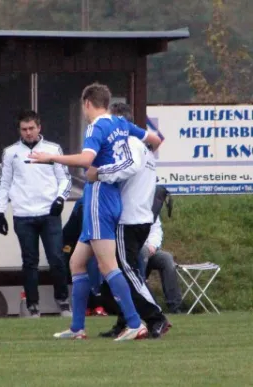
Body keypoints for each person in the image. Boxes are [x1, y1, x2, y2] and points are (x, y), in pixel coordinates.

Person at [28, 83, 162, 341]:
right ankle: (78, 328)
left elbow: (86, 160)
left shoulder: (96, 126)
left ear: (87, 103)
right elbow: (153, 140)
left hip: (100, 197)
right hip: (105, 197)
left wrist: (51, 158)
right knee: (76, 263)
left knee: (107, 265)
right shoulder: (121, 124)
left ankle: (135, 323)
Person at [87, 102, 170, 339]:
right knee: (122, 272)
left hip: (130, 218)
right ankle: (125, 320)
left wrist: (100, 172)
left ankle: (156, 317)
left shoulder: (131, 144)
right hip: (139, 216)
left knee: (127, 273)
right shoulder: (142, 146)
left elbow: (129, 167)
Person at [0, 110, 72, 317]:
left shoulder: (53, 149)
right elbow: (4, 182)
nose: (28, 133)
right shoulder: (10, 152)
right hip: (23, 214)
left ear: (39, 127)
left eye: (31, 128)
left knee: (56, 257)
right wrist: (0, 212)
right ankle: (32, 305)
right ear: (19, 130)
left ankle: (63, 301)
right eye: (24, 129)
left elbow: (65, 178)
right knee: (30, 261)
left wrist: (60, 199)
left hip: (49, 213)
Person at [138, 218, 184, 313]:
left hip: (151, 249)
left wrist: (152, 245)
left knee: (166, 258)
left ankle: (175, 305)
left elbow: (156, 230)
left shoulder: (152, 208)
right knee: (143, 252)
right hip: (134, 250)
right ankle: (143, 302)